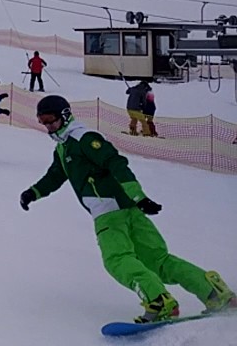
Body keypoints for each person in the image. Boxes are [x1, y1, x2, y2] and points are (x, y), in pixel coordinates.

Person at [20, 94, 236, 323]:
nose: (48, 127)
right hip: (126, 209)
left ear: (65, 116)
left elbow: (115, 162)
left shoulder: (83, 139)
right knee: (158, 261)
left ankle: (159, 301)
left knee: (116, 259)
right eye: (42, 122)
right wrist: (33, 193)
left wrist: (138, 195)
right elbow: (55, 175)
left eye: (51, 120)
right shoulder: (64, 148)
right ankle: (215, 294)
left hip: (109, 213)